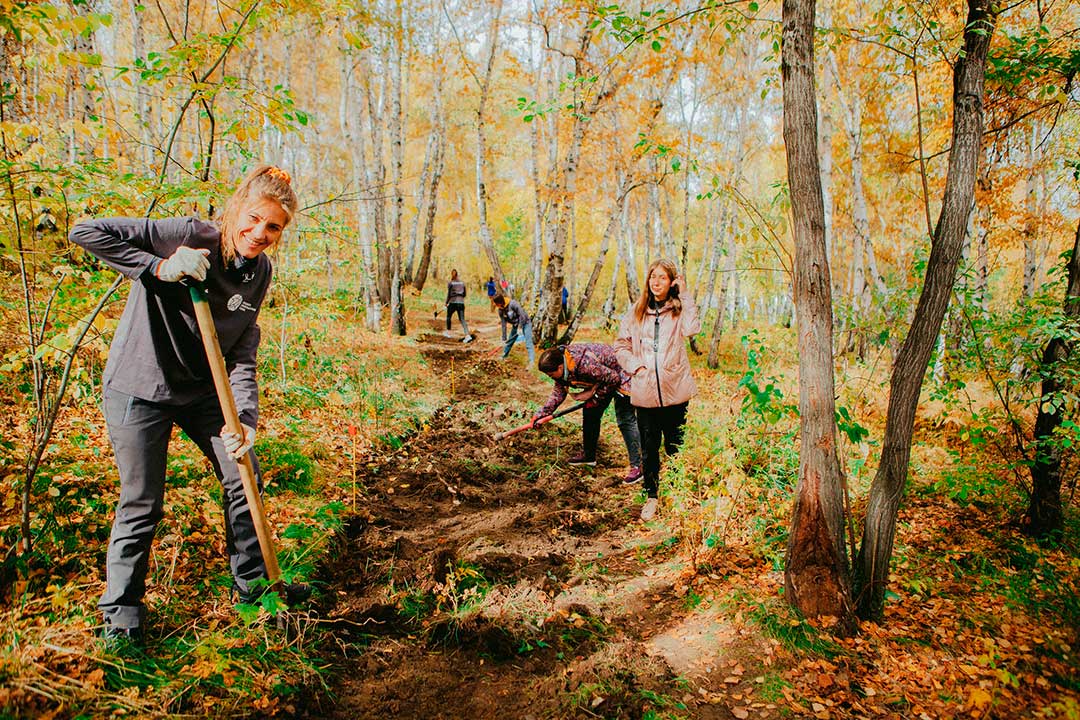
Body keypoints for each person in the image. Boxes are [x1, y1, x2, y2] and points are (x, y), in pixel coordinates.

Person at [70, 164, 307, 644]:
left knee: (244, 475)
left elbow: (241, 348)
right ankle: (121, 617)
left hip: (203, 392)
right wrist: (160, 266)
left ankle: (255, 593)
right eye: (254, 218)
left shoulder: (259, 272)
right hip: (140, 385)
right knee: (142, 501)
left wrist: (244, 418)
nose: (259, 233)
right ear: (237, 207)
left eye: (273, 227)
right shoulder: (188, 233)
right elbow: (85, 231)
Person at [614, 259, 700, 522]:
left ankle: (676, 494)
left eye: (662, 277)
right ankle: (651, 496)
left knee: (675, 445)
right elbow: (620, 346)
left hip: (675, 390)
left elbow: (692, 328)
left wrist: (684, 294)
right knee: (649, 448)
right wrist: (635, 366)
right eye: (653, 277)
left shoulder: (678, 310)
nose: (656, 282)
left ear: (671, 281)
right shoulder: (636, 312)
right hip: (645, 391)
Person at [535, 345, 642, 483]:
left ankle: (639, 465)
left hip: (621, 372)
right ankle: (589, 456)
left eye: (550, 375)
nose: (550, 378)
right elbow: (558, 393)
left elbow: (614, 378)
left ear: (560, 367)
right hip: (603, 378)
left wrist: (596, 397)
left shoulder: (583, 364)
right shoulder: (564, 365)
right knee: (590, 414)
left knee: (625, 419)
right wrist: (542, 413)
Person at [493, 293, 535, 365]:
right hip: (515, 325)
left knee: (528, 343)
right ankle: (503, 356)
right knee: (509, 342)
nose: (496, 306)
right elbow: (503, 325)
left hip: (525, 323)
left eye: (497, 304)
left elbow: (522, 315)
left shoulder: (513, 304)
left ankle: (532, 362)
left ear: (500, 302)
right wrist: (504, 338)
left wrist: (520, 327)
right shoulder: (500, 310)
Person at [445, 269, 473, 343]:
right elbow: (464, 294)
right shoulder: (462, 283)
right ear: (457, 275)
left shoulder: (451, 283)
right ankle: (467, 335)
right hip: (461, 303)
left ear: (452, 274)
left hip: (453, 302)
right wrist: (460, 298)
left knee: (448, 317)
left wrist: (446, 302)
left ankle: (448, 333)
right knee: (462, 319)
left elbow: (449, 294)